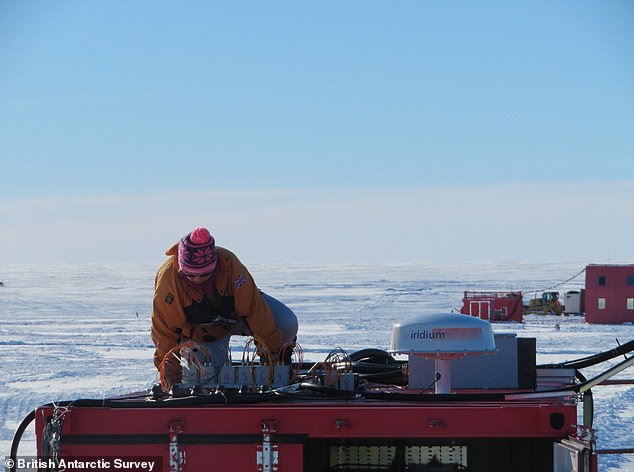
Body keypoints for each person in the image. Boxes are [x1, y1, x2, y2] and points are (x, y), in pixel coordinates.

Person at [151, 227, 298, 371]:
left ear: (214, 266)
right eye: (190, 275)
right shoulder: (168, 281)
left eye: (204, 274)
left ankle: (281, 363)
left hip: (235, 319)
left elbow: (255, 310)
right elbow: (164, 333)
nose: (197, 280)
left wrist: (272, 358)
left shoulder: (229, 264)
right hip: (199, 335)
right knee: (209, 379)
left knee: (286, 322)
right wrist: (170, 374)